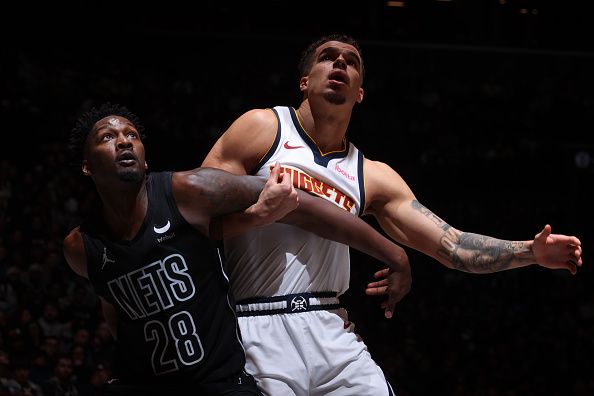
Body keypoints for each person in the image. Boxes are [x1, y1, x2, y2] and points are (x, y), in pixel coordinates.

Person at [201, 33, 584, 395]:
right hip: (256, 321)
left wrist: (530, 253)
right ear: (304, 81)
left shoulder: (372, 175)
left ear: (360, 92)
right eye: (327, 57)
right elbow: (195, 219)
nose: (340, 63)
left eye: (351, 62)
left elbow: (452, 246)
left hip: (330, 325)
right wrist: (256, 215)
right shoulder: (262, 127)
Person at [62, 103, 412, 396]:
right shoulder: (80, 248)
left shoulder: (188, 190)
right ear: (86, 166)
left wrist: (393, 253)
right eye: (108, 137)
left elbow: (299, 202)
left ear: (145, 157)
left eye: (132, 136)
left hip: (223, 383)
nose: (124, 142)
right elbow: (115, 305)